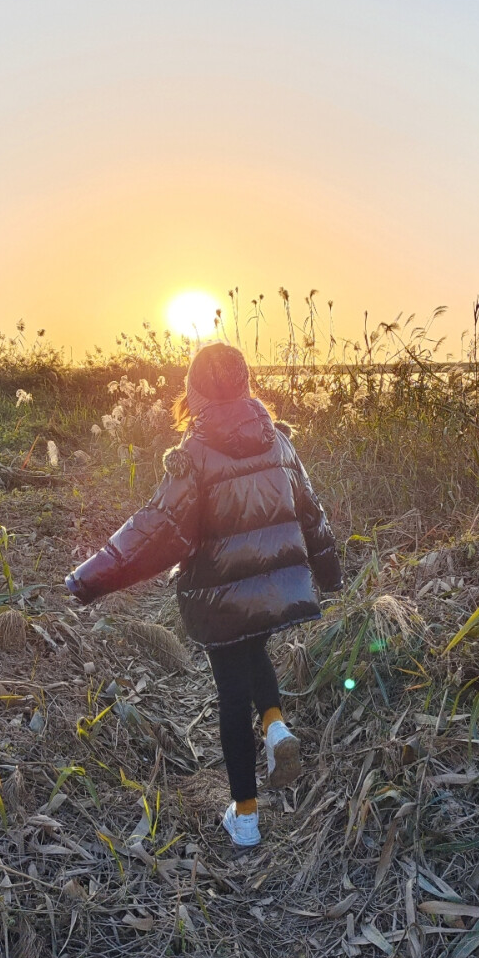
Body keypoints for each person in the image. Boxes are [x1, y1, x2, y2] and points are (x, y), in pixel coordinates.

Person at [65, 343, 342, 848]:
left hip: (218, 597)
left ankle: (246, 818)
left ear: (194, 390)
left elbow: (153, 530)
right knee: (256, 645)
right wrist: (331, 574)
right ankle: (277, 726)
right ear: (245, 384)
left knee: (231, 695)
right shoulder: (279, 442)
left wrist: (88, 579)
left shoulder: (192, 454)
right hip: (275, 587)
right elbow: (312, 511)